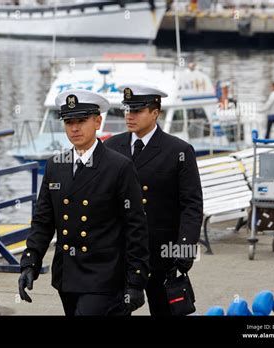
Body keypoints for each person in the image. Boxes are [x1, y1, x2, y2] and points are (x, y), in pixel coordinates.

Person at [18, 89, 149, 316]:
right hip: (67, 275)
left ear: (97, 121)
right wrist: (30, 262)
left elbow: (135, 226)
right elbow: (43, 221)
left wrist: (136, 281)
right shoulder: (56, 166)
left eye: (82, 120)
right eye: (69, 122)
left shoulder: (119, 167)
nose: (75, 128)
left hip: (105, 276)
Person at [104, 84, 203, 316]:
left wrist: (186, 245)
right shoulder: (110, 147)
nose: (129, 115)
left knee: (164, 311)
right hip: (119, 252)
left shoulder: (178, 150)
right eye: (127, 109)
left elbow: (191, 204)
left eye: (137, 110)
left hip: (161, 253)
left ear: (155, 112)